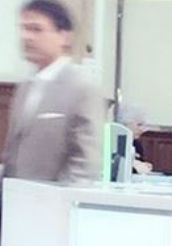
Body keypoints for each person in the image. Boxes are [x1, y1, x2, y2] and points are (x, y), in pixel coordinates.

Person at [2, 0, 103, 186]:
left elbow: (85, 163)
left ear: (64, 36)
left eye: (36, 29)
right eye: (24, 28)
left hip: (53, 199)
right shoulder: (24, 88)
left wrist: (56, 199)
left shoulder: (82, 89)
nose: (27, 37)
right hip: (14, 196)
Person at [117, 103, 153, 174]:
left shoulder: (137, 144)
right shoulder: (115, 143)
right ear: (125, 124)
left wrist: (144, 165)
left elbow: (140, 165)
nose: (143, 130)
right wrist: (133, 166)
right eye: (139, 125)